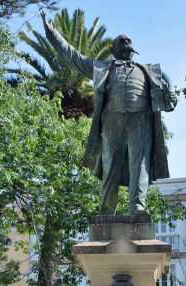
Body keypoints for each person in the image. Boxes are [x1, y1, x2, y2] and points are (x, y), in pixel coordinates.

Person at [41, 12, 177, 217]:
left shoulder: (149, 71)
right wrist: (52, 34)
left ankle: (137, 207)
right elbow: (74, 57)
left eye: (129, 40)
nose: (126, 41)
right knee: (110, 164)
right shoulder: (101, 68)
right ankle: (106, 210)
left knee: (139, 164)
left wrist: (170, 94)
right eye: (121, 40)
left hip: (141, 118)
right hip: (112, 119)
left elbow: (170, 97)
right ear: (114, 50)